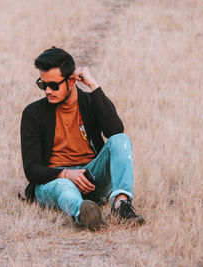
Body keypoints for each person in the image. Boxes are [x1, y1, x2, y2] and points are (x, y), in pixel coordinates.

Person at [20, 47, 145, 231]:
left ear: (71, 81)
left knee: (121, 140)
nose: (47, 91)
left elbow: (115, 130)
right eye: (42, 84)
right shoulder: (33, 113)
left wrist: (94, 86)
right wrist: (66, 174)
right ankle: (84, 213)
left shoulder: (89, 102)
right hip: (54, 181)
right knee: (64, 186)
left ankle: (121, 206)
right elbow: (32, 170)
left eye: (53, 85)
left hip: (91, 180)